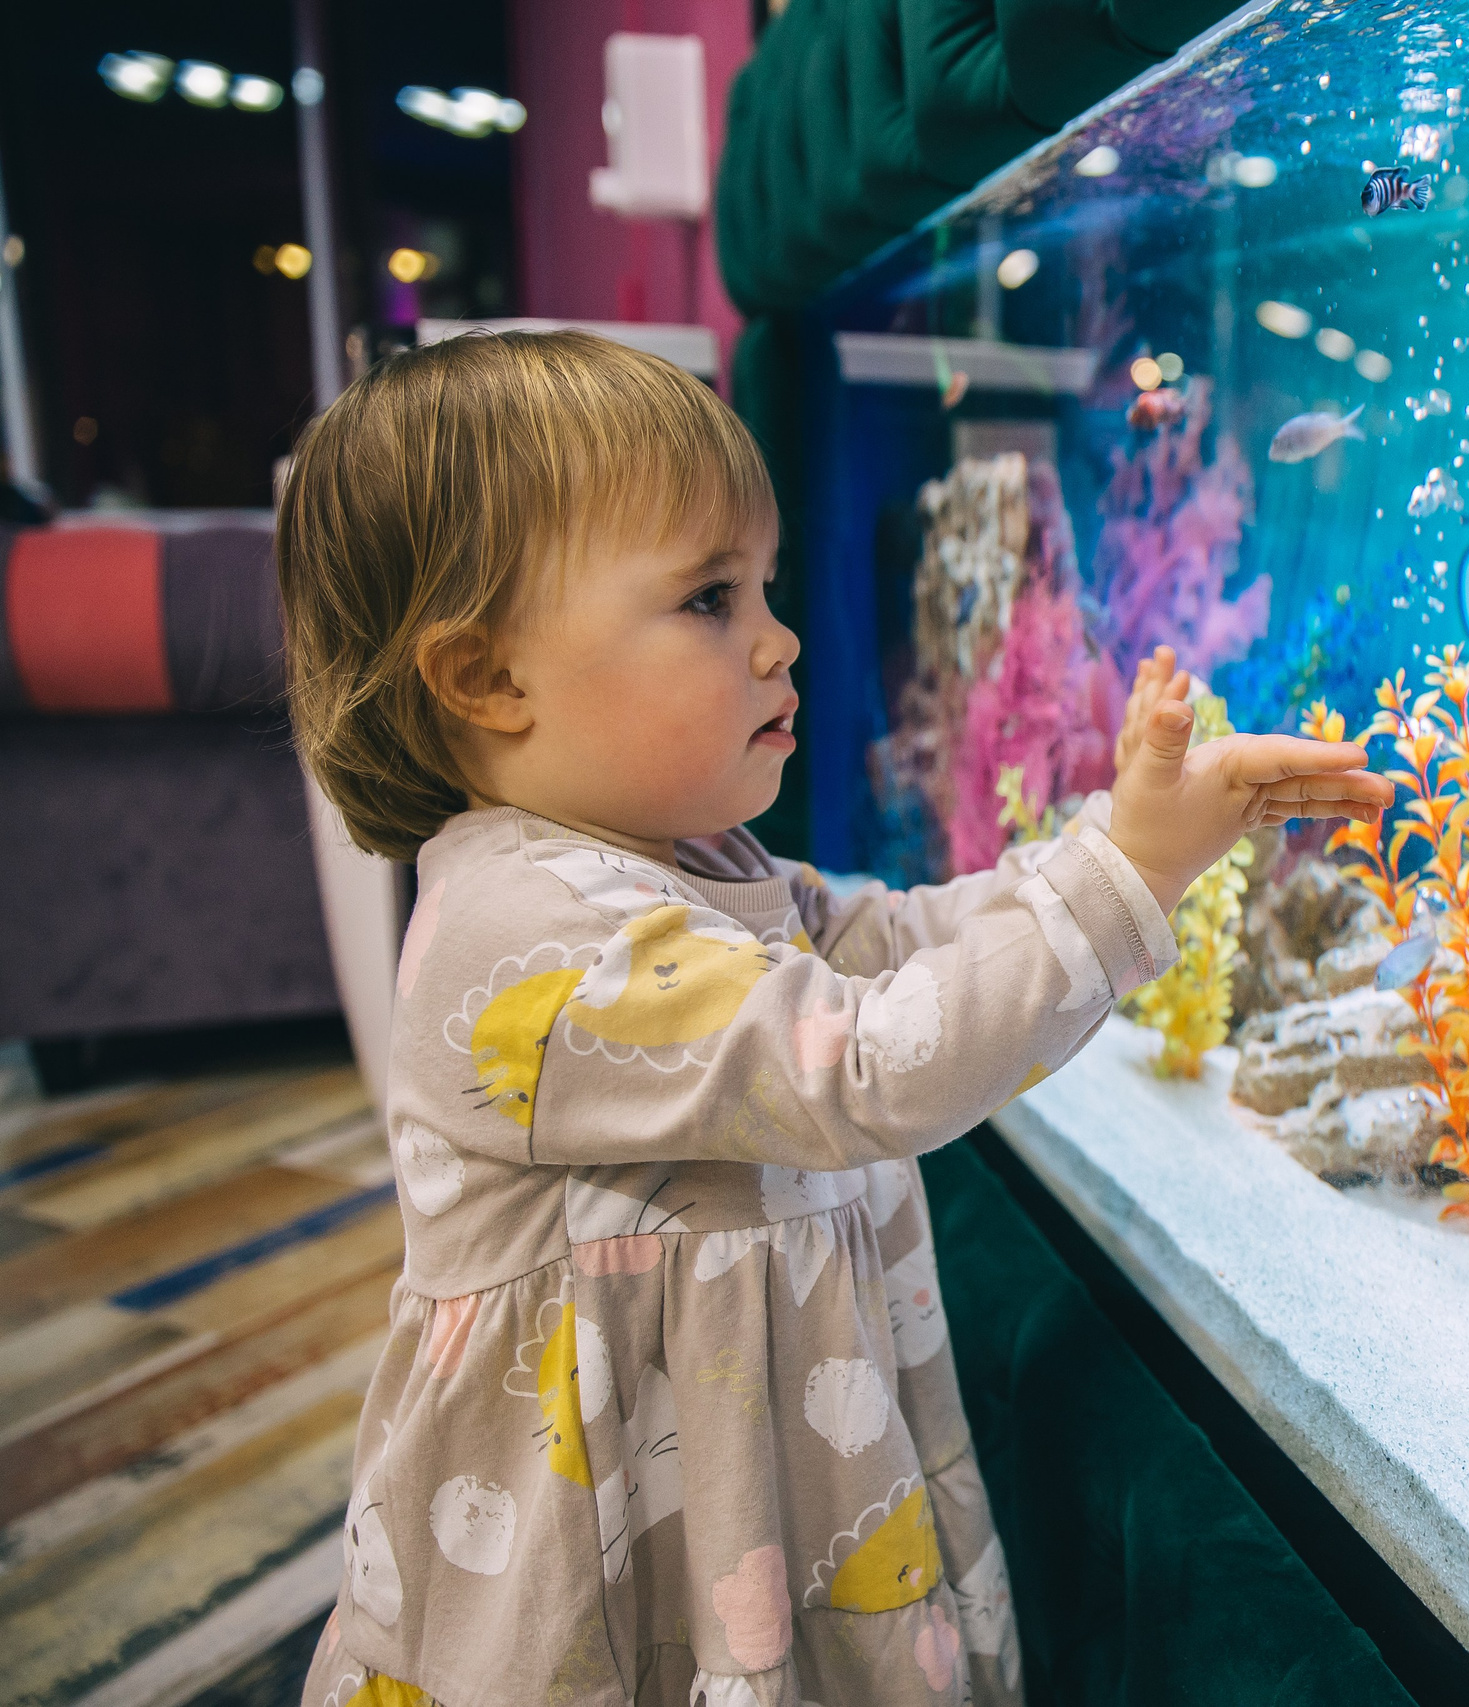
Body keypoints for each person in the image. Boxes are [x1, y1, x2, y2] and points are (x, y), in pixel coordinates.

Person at [275, 330, 1388, 1707]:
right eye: (709, 599)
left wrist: (1125, 837)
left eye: (768, 586)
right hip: (604, 1565)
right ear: (487, 679)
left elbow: (901, 942)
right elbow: (865, 1066)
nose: (779, 638)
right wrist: (1130, 875)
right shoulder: (526, 939)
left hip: (759, 1496)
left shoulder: (694, 862)